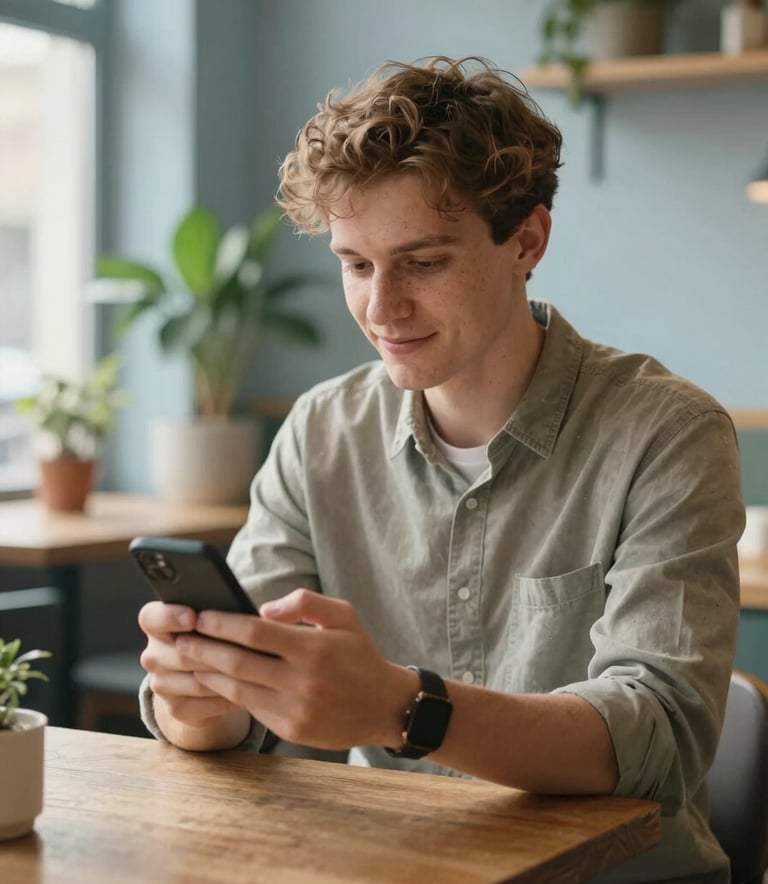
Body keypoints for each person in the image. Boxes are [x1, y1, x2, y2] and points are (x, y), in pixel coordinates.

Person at [137, 56, 745, 882]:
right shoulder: (320, 432)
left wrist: (401, 706)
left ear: (526, 239)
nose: (382, 308)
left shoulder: (667, 433)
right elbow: (238, 720)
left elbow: (657, 735)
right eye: (356, 265)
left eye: (423, 263)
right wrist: (199, 699)